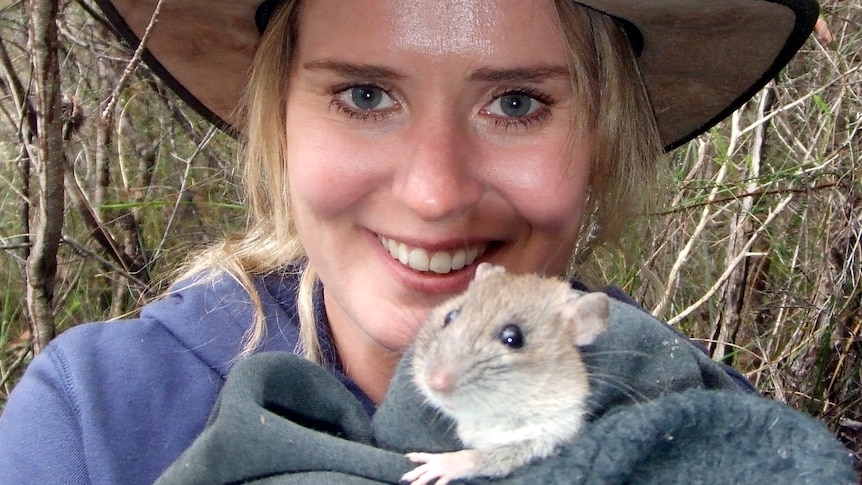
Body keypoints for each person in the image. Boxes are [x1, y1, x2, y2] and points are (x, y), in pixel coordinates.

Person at [0, 0, 829, 484]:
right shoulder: (100, 421)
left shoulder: (712, 432)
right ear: (278, 125)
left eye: (514, 103)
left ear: (602, 144)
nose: (435, 193)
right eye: (365, 94)